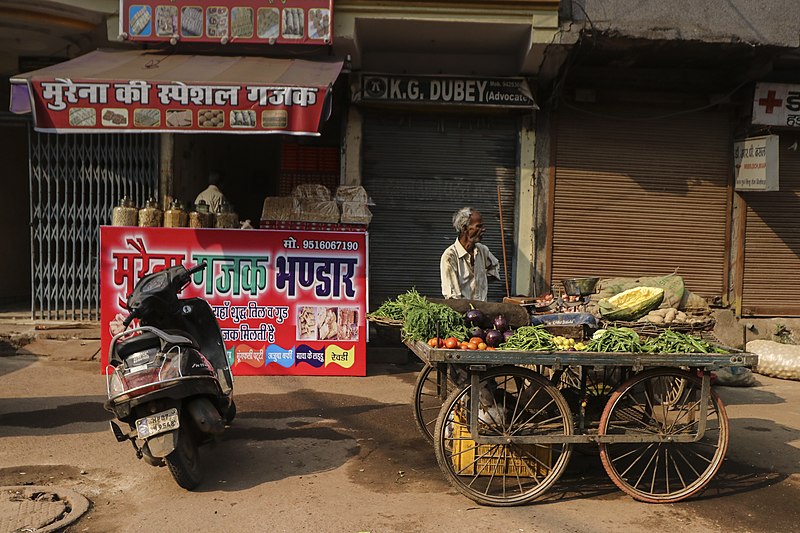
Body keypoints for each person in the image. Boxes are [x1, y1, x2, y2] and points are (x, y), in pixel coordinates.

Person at [440, 207, 500, 301]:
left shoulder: (482, 250)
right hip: (462, 312)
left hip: (483, 309)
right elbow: (453, 297)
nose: (484, 230)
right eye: (479, 226)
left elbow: (495, 267)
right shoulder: (450, 257)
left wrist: (480, 281)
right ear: (464, 228)